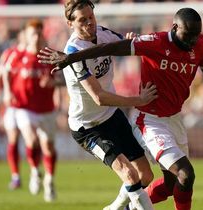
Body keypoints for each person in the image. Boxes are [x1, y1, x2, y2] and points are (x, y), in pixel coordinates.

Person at [38, 7, 203, 210]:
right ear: (175, 27)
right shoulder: (154, 42)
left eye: (196, 35)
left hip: (173, 118)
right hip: (147, 119)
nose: (191, 41)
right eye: (188, 35)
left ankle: (123, 208)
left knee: (165, 183)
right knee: (185, 174)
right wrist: (71, 57)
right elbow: (112, 52)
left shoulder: (200, 46)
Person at [57, 0, 156, 209]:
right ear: (70, 24)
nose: (89, 23)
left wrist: (130, 42)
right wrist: (138, 100)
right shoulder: (74, 52)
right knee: (129, 175)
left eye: (91, 17)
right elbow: (99, 97)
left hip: (112, 116)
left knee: (145, 175)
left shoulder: (103, 33)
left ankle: (115, 208)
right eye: (82, 20)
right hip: (88, 128)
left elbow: (126, 46)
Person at [3, 19, 60, 202]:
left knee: (48, 147)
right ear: (27, 36)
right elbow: (5, 72)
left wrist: (53, 83)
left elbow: (62, 80)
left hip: (46, 108)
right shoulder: (18, 55)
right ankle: (35, 172)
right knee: (31, 139)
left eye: (38, 33)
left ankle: (49, 180)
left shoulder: (50, 56)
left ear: (42, 35)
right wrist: (6, 92)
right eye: (32, 34)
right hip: (23, 107)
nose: (35, 37)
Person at [0, 29, 28, 190]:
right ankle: (16, 176)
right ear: (20, 37)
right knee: (13, 138)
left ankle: (35, 171)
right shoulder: (10, 53)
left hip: (31, 104)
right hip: (12, 104)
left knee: (34, 139)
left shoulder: (38, 53)